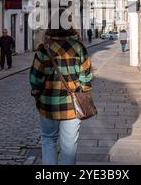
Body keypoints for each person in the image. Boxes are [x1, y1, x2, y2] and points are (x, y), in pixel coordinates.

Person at [29, 25, 93, 165]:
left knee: (48, 139)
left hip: (48, 106)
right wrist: (80, 91)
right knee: (69, 146)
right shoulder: (78, 47)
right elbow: (86, 79)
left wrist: (37, 95)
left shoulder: (43, 49)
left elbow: (35, 80)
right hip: (72, 107)